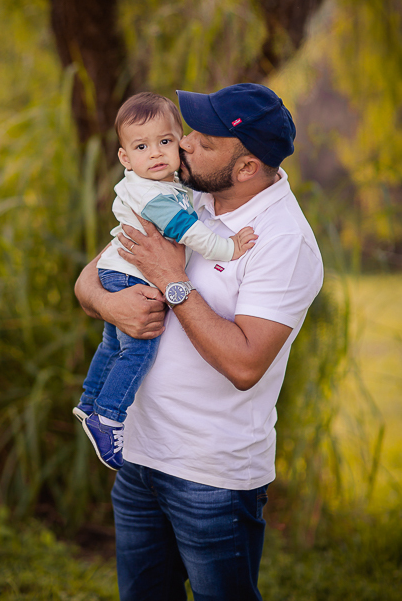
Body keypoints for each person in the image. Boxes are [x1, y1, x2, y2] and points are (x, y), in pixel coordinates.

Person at [75, 82, 324, 601]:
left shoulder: (283, 240)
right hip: (139, 456)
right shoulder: (181, 192)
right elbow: (89, 280)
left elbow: (245, 363)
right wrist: (110, 305)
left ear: (247, 167)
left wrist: (172, 281)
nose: (181, 144)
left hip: (211, 476)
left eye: (203, 141)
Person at [74, 92, 256, 470]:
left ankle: (90, 400)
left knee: (112, 343)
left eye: (165, 142)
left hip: (118, 270)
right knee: (138, 349)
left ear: (179, 145)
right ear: (125, 158)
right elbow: (184, 229)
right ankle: (108, 417)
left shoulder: (169, 186)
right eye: (142, 146)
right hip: (127, 275)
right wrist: (229, 248)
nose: (155, 153)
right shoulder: (150, 193)